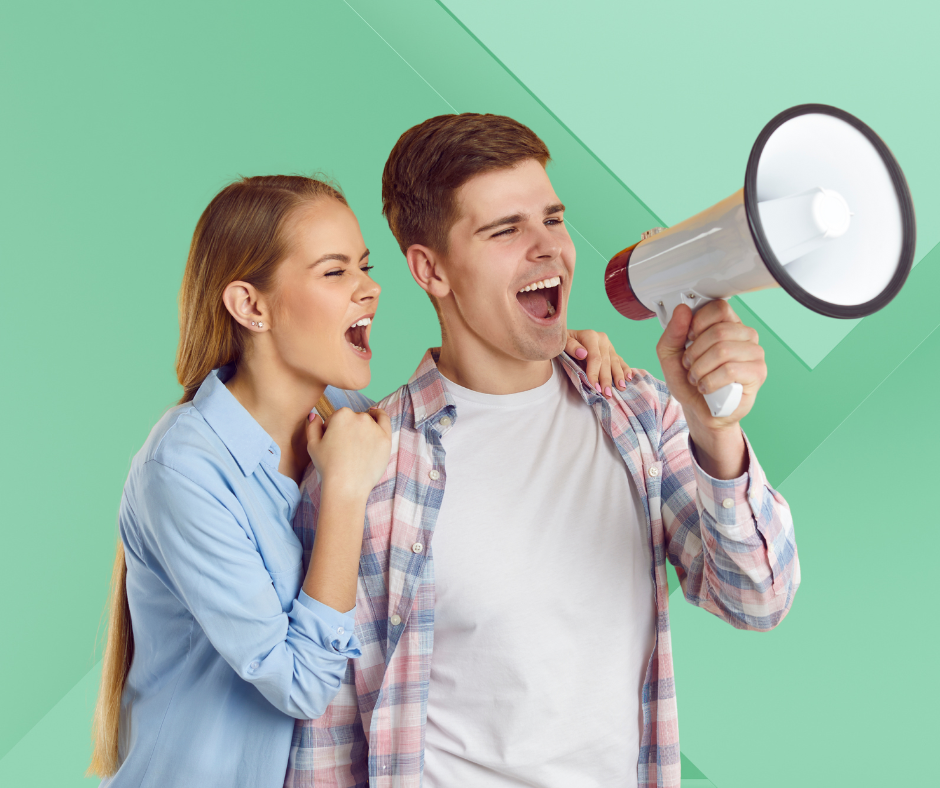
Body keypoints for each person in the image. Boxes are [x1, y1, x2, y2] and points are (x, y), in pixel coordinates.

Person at [284, 115, 800, 788]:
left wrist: (717, 429)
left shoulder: (637, 414)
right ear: (430, 268)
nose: (547, 248)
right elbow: (327, 730)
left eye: (553, 219)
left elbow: (757, 598)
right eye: (505, 230)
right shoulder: (369, 466)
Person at [88, 173, 627, 788]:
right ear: (251, 306)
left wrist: (555, 357)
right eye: (334, 271)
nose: (370, 289)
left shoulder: (346, 415)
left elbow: (453, 421)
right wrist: (343, 492)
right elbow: (301, 685)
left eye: (365, 267)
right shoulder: (183, 470)